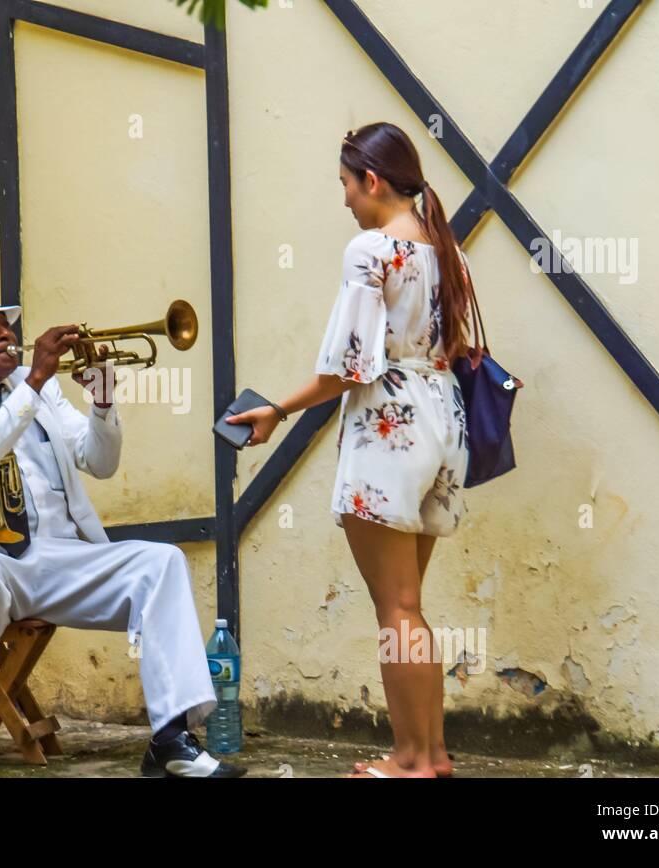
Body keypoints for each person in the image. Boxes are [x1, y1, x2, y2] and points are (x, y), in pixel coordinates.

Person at [0, 280, 246, 778]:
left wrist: (102, 404)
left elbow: (98, 462)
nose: (4, 335)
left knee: (161, 561)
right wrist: (34, 382)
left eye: (4, 324)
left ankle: (172, 739)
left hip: (59, 557)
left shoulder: (38, 388)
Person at [227, 123, 476, 778]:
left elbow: (349, 367)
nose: (343, 200)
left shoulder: (370, 249)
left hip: (389, 429)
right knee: (410, 605)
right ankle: (434, 755)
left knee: (396, 609)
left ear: (371, 180)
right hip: (444, 427)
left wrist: (276, 410)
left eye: (345, 184)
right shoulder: (448, 251)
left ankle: (410, 759)